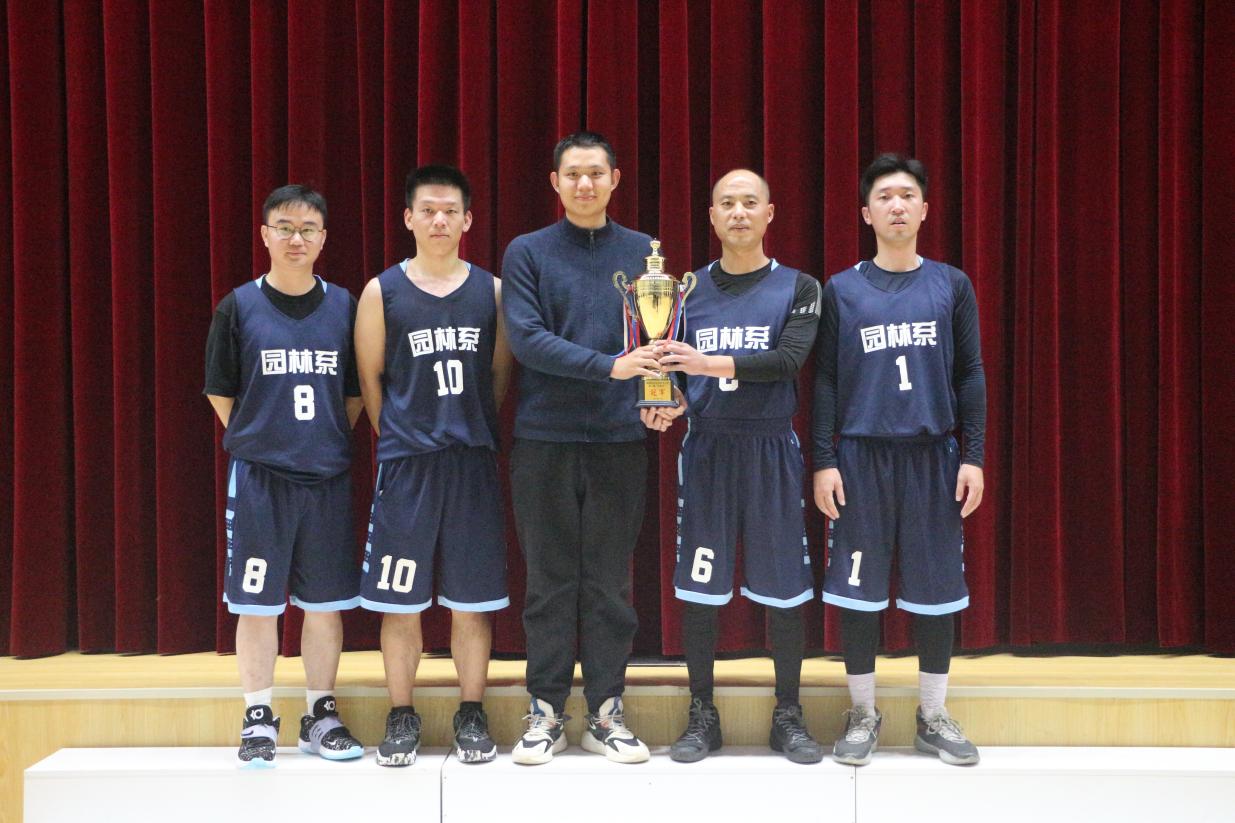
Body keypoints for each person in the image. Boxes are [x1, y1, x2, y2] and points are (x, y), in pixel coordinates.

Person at [644, 169, 824, 764]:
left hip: (771, 447)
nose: (739, 212)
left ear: (770, 213)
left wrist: (705, 363)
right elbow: (671, 368)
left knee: (786, 587)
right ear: (713, 216)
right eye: (727, 203)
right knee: (700, 584)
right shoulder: (684, 291)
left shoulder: (800, 286)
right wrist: (670, 400)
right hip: (708, 448)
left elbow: (787, 360)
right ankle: (702, 712)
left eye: (750, 202)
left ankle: (788, 712)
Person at [812, 153, 986, 766]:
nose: (896, 205)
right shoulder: (841, 288)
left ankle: (933, 715)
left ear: (925, 209)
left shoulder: (951, 284)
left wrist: (973, 455)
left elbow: (970, 373)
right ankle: (863, 713)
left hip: (933, 457)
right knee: (858, 593)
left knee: (937, 593)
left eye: (907, 195)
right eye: (884, 196)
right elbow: (826, 379)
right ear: (866, 213)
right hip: (862, 458)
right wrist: (824, 459)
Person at [501, 131, 660, 765]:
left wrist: (659, 392)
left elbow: (657, 341)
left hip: (620, 440)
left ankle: (605, 712)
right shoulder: (527, 252)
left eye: (596, 173)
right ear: (556, 183)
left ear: (615, 179)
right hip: (544, 438)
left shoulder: (644, 254)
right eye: (574, 174)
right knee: (548, 582)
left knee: (609, 584)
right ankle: (545, 712)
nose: (585, 184)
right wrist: (611, 368)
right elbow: (527, 339)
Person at [354, 165, 512, 767]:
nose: (439, 220)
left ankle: (471, 711)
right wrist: (402, 434)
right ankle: (402, 713)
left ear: (468, 220)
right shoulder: (382, 291)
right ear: (409, 218)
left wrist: (465, 427)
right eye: (428, 210)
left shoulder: (492, 292)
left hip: (470, 462)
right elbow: (371, 380)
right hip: (407, 466)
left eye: (450, 211)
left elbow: (498, 376)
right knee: (401, 601)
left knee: (472, 600)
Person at [204, 184, 366, 768]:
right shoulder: (238, 306)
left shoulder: (346, 306)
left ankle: (320, 715)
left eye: (307, 229)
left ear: (323, 239)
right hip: (260, 480)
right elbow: (220, 392)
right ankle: (257, 716)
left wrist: (315, 440)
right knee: (257, 603)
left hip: (325, 477)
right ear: (266, 235)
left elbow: (355, 394)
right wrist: (265, 440)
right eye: (285, 228)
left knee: (324, 604)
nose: (296, 239)